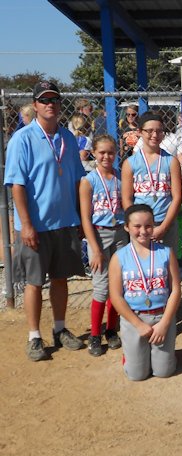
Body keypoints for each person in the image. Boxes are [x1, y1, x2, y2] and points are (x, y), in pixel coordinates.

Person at [5, 81, 86, 361]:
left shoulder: (68, 138)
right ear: (35, 105)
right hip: (35, 226)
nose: (50, 104)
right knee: (34, 282)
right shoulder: (23, 138)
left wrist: (78, 217)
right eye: (44, 100)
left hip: (64, 222)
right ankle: (34, 336)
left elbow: (77, 180)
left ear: (60, 104)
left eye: (54, 99)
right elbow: (16, 185)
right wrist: (25, 224)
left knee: (61, 278)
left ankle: (60, 328)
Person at [108, 204, 180, 381]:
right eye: (137, 226)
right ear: (126, 227)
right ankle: (131, 356)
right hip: (134, 319)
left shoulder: (165, 252)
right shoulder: (119, 257)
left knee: (164, 372)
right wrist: (138, 324)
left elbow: (176, 289)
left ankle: (160, 355)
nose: (143, 231)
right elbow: (116, 296)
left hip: (161, 317)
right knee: (137, 375)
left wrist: (164, 323)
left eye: (148, 226)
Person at [79, 135, 127, 356]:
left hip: (119, 233)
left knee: (118, 284)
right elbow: (86, 218)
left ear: (116, 153)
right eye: (102, 153)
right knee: (100, 286)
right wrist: (95, 249)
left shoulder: (120, 179)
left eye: (110, 152)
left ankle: (111, 329)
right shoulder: (89, 181)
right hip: (99, 235)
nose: (106, 156)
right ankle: (95, 335)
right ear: (94, 154)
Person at [121, 111, 182, 256]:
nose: (155, 135)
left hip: (165, 222)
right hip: (140, 226)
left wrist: (164, 227)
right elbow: (127, 198)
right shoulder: (130, 163)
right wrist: (135, 224)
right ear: (140, 132)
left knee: (167, 266)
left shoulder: (171, 161)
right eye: (149, 131)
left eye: (159, 131)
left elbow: (177, 197)